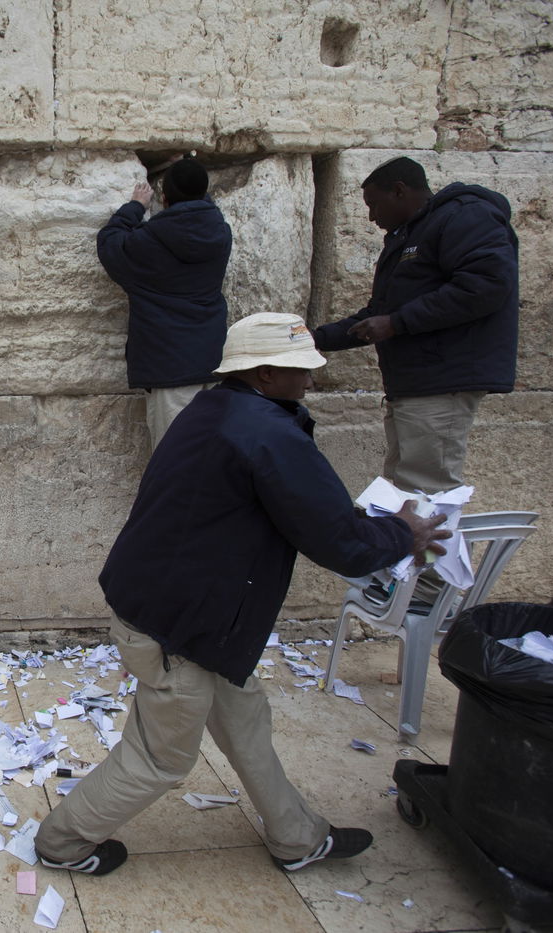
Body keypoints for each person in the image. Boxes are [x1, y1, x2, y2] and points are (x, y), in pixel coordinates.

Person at [34, 312, 451, 877]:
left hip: (187, 612)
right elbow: (342, 544)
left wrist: (371, 524)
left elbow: (306, 510)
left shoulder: (215, 408)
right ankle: (61, 843)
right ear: (263, 374)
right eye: (300, 369)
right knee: (160, 757)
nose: (311, 379)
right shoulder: (267, 433)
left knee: (246, 722)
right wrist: (404, 533)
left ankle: (297, 837)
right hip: (180, 627)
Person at [313, 156, 519, 494]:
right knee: (403, 489)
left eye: (374, 205)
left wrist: (397, 323)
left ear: (399, 191)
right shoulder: (409, 235)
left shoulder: (464, 216)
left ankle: (434, 535)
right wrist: (318, 338)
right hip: (412, 384)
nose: (372, 217)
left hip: (441, 381)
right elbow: (379, 315)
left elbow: (485, 285)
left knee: (427, 491)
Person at [97, 157, 232, 450]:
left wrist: (135, 206)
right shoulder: (221, 233)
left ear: (164, 198)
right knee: (213, 458)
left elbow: (109, 244)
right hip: (214, 361)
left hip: (170, 369)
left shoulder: (147, 244)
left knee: (174, 460)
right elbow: (200, 208)